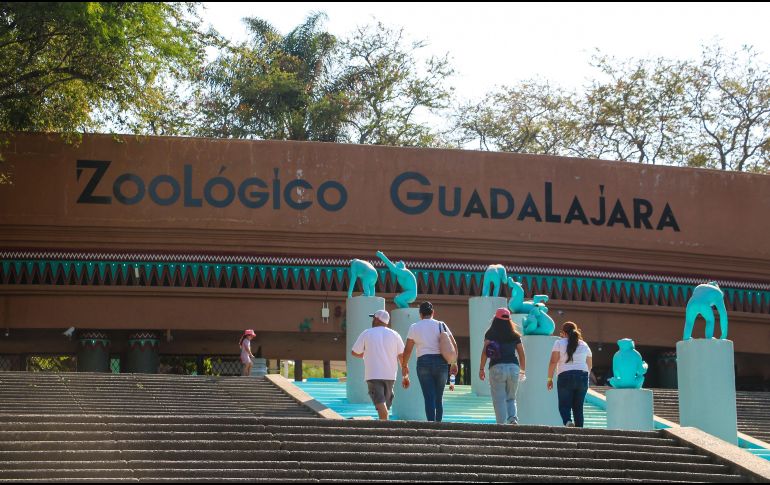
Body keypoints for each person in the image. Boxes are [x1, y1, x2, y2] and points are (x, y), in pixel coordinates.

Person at [401, 301, 459, 422]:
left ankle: (430, 425)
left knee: (429, 397)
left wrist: (404, 365)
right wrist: (454, 362)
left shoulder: (414, 327)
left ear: (420, 314)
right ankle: (439, 425)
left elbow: (407, 350)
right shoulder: (441, 325)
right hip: (441, 362)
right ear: (433, 312)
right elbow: (453, 343)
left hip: (423, 363)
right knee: (439, 397)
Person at [351, 309, 405, 420]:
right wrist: (405, 374)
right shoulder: (395, 334)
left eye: (373, 318)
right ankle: (384, 425)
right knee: (384, 404)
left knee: (380, 403)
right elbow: (401, 356)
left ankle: (385, 429)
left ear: (377, 319)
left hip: (373, 374)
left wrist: (365, 354)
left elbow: (355, 352)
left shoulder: (367, 333)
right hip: (390, 375)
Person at [479, 307, 526, 424]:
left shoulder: (490, 333)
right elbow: (521, 354)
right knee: (511, 397)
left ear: (495, 318)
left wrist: (481, 369)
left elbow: (485, 352)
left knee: (499, 399)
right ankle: (512, 419)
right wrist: (522, 371)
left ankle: (501, 425)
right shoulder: (515, 335)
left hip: (497, 367)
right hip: (513, 367)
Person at [547, 321, 593, 427]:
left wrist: (549, 379)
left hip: (565, 375)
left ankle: (568, 421)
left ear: (563, 333)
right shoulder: (584, 344)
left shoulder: (559, 343)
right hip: (582, 375)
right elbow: (589, 364)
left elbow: (553, 361)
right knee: (578, 407)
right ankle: (580, 430)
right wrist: (584, 376)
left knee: (564, 404)